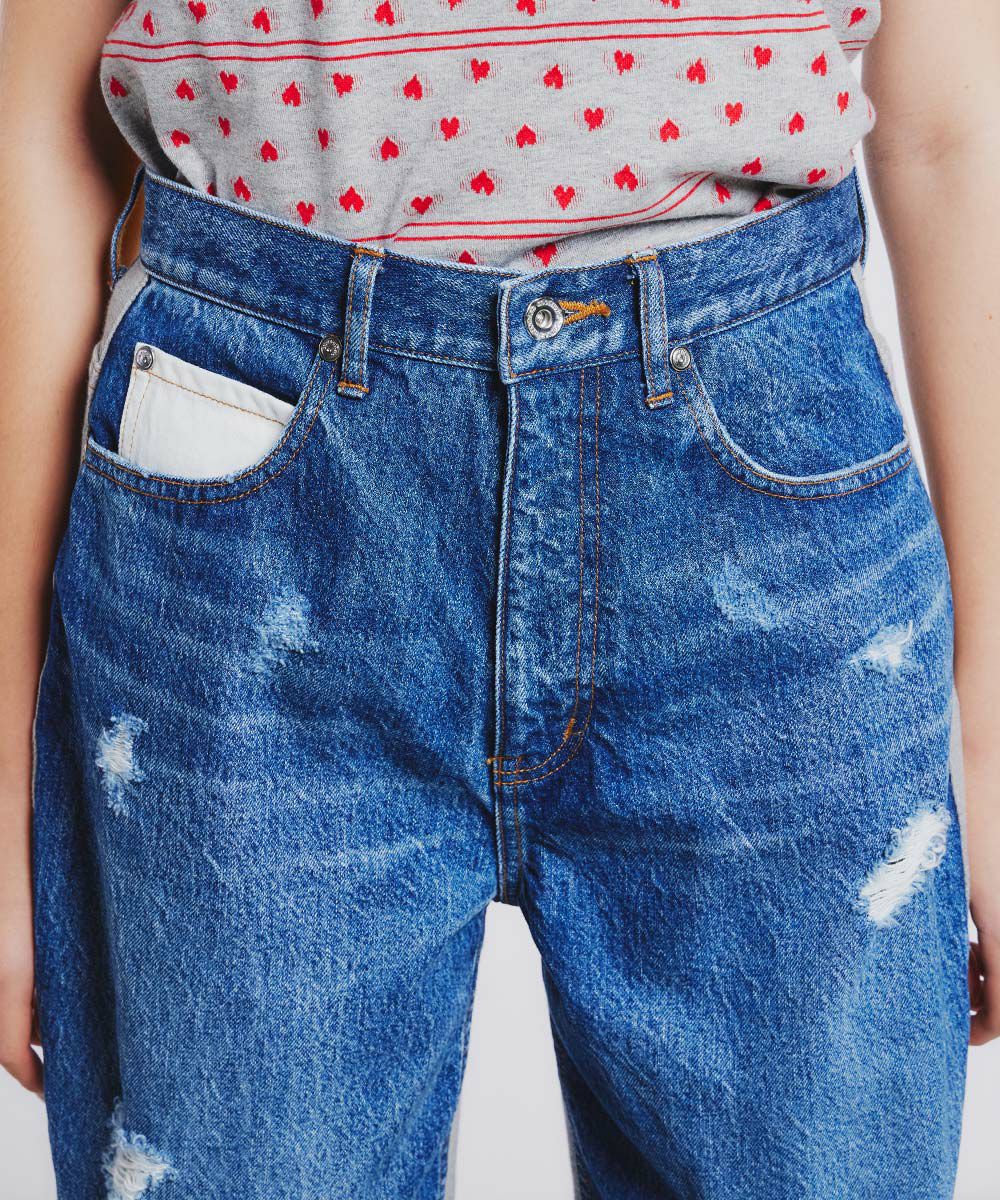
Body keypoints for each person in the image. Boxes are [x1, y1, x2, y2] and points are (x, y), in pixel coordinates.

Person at [1, 2, 997, 1197]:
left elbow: (949, 127)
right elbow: (34, 120)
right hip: (251, 492)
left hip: (762, 496)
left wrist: (992, 726)